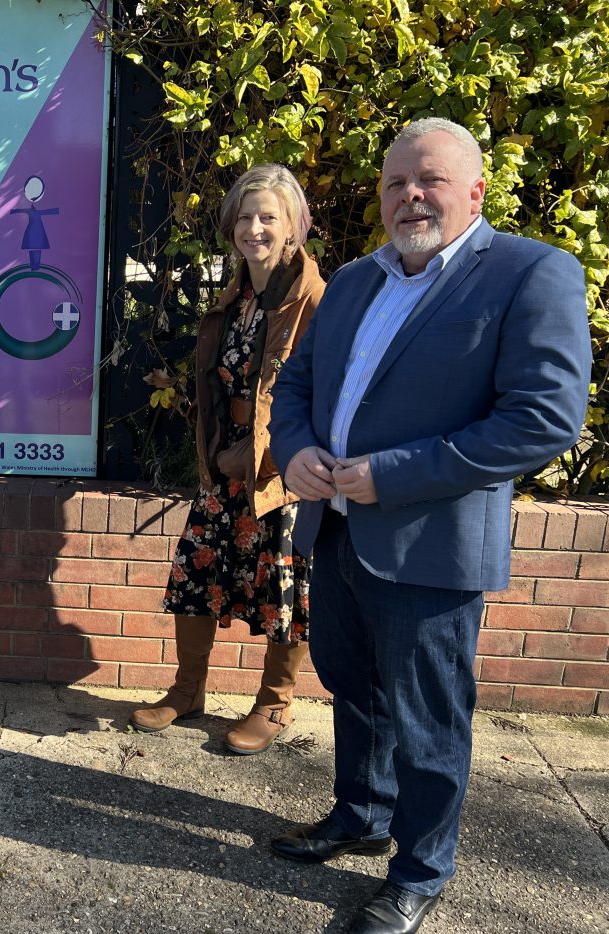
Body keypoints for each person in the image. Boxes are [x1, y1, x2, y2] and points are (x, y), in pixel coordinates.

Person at [268, 118, 592, 934]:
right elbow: (298, 383)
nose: (410, 195)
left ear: (476, 190)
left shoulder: (530, 273)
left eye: (430, 180)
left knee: (428, 720)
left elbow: (543, 417)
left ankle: (420, 871)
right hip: (336, 529)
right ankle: (361, 814)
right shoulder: (351, 281)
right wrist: (298, 449)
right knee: (352, 688)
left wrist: (393, 475)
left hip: (431, 547)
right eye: (395, 183)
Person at [131, 164, 324, 755]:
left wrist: (274, 453)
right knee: (195, 575)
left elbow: (323, 388)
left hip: (279, 470)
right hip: (224, 462)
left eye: (268, 216)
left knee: (283, 591)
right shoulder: (236, 296)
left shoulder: (313, 297)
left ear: (293, 226)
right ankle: (188, 690)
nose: (254, 227)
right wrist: (217, 446)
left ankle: (274, 703)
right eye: (244, 215)